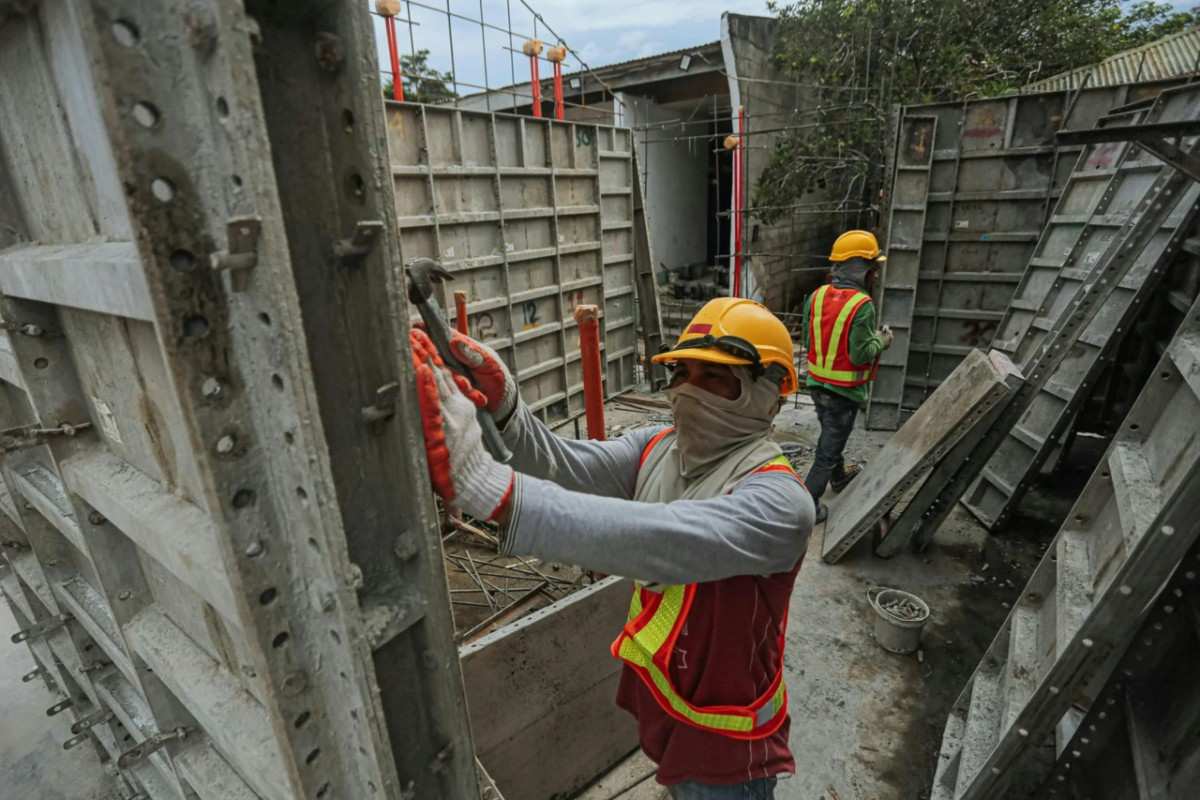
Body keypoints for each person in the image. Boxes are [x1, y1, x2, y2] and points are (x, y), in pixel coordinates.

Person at [409, 297, 815, 799]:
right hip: (668, 709)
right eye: (682, 374)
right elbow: (565, 465)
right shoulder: (658, 447)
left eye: (715, 377)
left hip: (731, 748)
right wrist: (507, 407)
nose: (690, 392)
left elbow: (665, 541)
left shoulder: (781, 502)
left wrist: (489, 487)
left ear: (768, 394)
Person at [799, 229, 895, 523]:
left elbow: (805, 339)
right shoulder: (862, 306)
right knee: (827, 452)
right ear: (860, 269)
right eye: (872, 268)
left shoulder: (816, 297)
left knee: (831, 437)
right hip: (844, 392)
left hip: (816, 385)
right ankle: (806, 506)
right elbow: (860, 354)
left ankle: (838, 478)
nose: (875, 275)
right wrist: (882, 340)